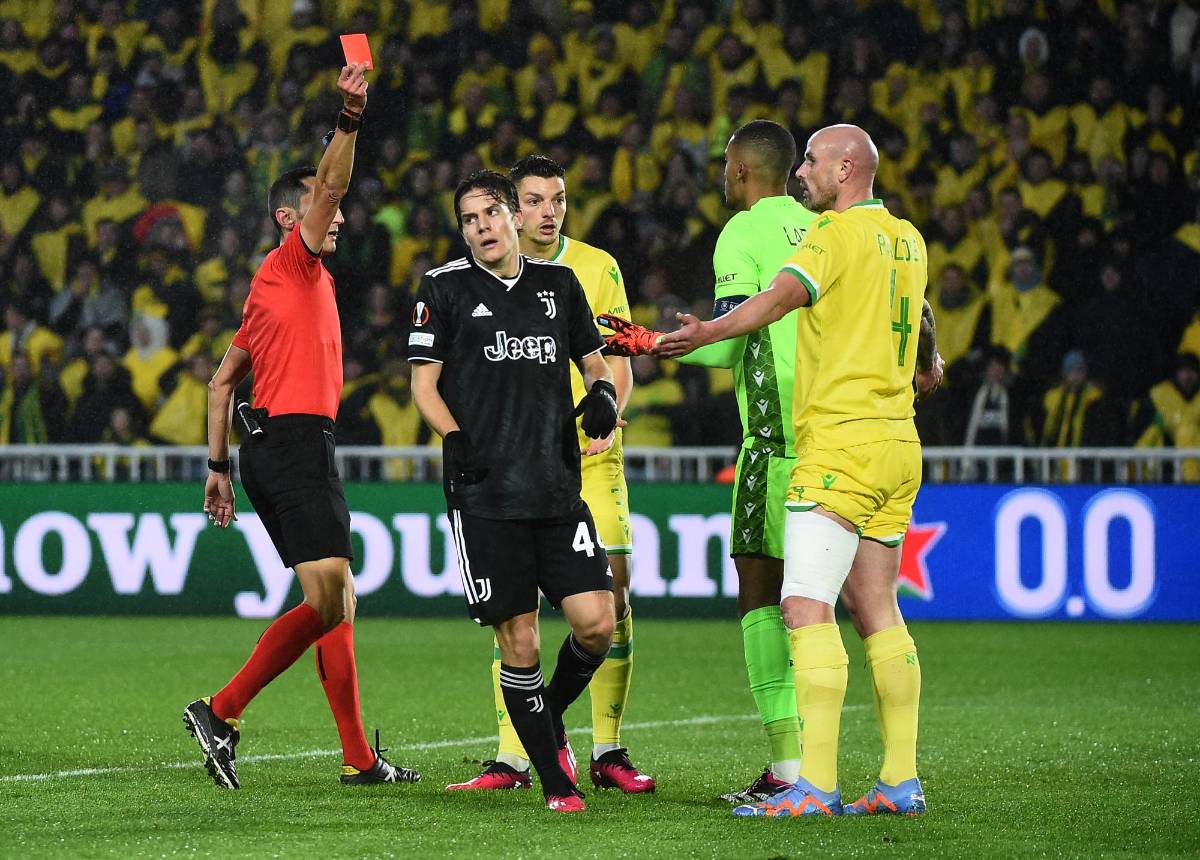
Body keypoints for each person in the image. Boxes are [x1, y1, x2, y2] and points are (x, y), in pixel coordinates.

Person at [655, 124, 937, 817]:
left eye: (813, 161)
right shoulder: (908, 238)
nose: (802, 172)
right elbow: (921, 318)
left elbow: (777, 301)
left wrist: (704, 334)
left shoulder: (831, 237)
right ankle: (900, 781)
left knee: (803, 605)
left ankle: (811, 785)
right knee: (877, 609)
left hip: (836, 446)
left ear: (846, 168)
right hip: (898, 443)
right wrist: (929, 364)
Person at [183, 63, 420, 790]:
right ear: (293, 218)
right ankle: (220, 711)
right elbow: (335, 186)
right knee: (329, 599)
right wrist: (349, 118)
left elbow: (222, 383)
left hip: (273, 448)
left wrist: (218, 470)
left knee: (337, 599)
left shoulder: (268, 291)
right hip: (292, 443)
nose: (338, 217)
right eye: (321, 209)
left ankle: (358, 758)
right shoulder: (293, 262)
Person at [603, 119, 817, 803]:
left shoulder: (743, 232)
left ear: (744, 171)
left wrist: (656, 342)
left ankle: (789, 770)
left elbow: (727, 346)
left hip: (774, 443)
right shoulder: (824, 227)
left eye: (727, 165)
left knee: (760, 596)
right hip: (836, 437)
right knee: (827, 609)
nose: (723, 176)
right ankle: (832, 768)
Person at [409, 169, 620, 813]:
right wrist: (455, 439)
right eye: (469, 219)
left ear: (513, 218)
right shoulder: (442, 289)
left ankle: (547, 715)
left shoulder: (558, 285)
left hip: (557, 487)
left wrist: (605, 397)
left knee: (597, 626)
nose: (482, 228)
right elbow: (424, 385)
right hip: (485, 496)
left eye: (491, 213)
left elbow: (593, 361)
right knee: (520, 639)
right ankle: (558, 786)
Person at [445, 155, 653, 794]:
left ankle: (607, 747)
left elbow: (615, 360)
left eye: (557, 200)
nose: (547, 212)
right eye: (533, 201)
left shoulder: (594, 269)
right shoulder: (474, 281)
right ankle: (514, 755)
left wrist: (607, 414)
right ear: (512, 206)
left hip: (589, 457)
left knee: (609, 603)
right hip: (517, 462)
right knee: (517, 612)